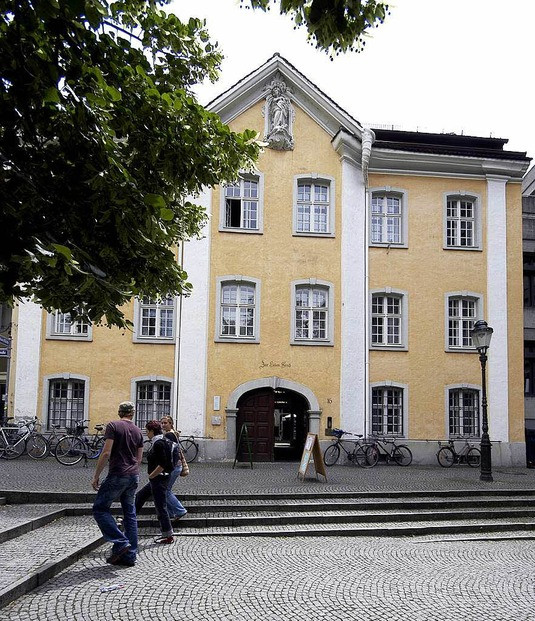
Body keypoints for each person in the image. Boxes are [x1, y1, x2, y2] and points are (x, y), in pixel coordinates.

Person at [92, 401, 144, 567]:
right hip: (133, 475)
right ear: (132, 413)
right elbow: (139, 458)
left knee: (100, 508)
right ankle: (130, 556)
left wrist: (96, 476)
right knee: (130, 514)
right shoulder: (138, 431)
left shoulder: (113, 426)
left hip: (117, 474)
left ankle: (120, 542)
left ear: (119, 412)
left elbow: (106, 452)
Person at [135, 420, 175, 544]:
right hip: (160, 478)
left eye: (147, 431)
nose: (146, 434)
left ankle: (168, 535)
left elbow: (163, 464)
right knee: (140, 496)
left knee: (160, 506)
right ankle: (128, 521)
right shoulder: (162, 440)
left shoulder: (159, 443)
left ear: (152, 431)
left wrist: (152, 475)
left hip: (159, 478)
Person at [160, 415, 188, 523]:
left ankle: (180, 510)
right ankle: (171, 513)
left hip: (173, 466)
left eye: (165, 423)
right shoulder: (171, 433)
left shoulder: (169, 434)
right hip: (175, 466)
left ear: (171, 424)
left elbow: (171, 452)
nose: (163, 425)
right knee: (166, 490)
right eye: (162, 423)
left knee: (165, 490)